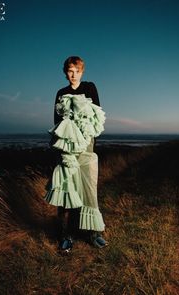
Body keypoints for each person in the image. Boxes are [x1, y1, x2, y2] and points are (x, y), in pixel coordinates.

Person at [45, 56, 108, 253]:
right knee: (66, 190)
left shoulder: (89, 88)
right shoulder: (60, 93)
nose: (73, 75)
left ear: (82, 72)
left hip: (87, 147)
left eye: (77, 71)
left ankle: (93, 233)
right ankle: (66, 236)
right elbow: (57, 122)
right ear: (65, 72)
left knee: (89, 190)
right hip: (66, 147)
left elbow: (96, 117)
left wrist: (88, 143)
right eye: (70, 71)